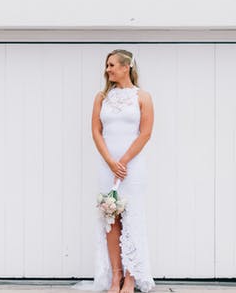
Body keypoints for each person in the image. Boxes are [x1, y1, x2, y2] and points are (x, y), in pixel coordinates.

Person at [88, 49, 154, 293]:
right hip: (107, 166)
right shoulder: (101, 97)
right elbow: (96, 131)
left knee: (132, 219)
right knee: (110, 219)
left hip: (132, 167)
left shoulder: (143, 97)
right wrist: (110, 161)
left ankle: (131, 277)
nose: (108, 69)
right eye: (107, 65)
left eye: (112, 64)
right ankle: (115, 277)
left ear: (127, 67)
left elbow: (145, 133)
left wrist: (123, 161)